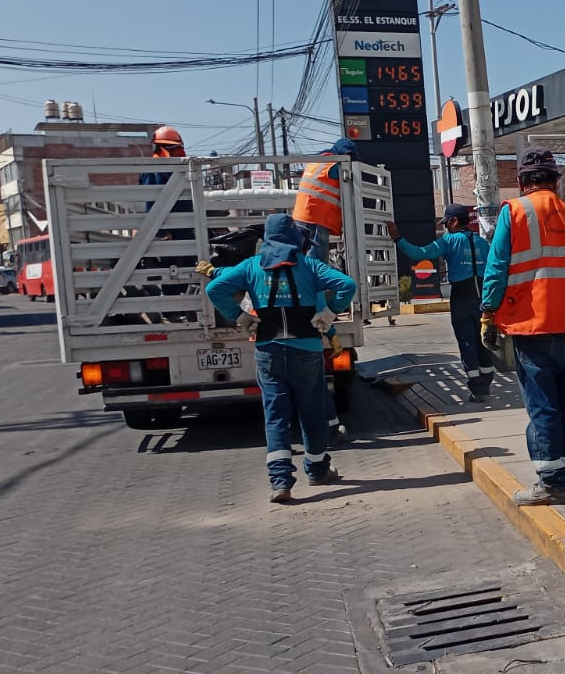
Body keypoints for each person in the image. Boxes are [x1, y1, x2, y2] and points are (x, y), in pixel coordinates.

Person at [480, 146, 565, 506]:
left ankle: (551, 482)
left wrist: (488, 312)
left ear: (522, 182)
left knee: (543, 407)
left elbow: (497, 266)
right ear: (556, 180)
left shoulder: (515, 212)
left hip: (533, 328)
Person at [206, 213, 356, 504]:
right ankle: (317, 471)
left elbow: (215, 288)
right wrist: (328, 314)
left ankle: (280, 482)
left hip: (269, 351)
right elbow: (347, 285)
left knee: (276, 417)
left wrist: (240, 316)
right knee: (311, 413)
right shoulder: (310, 265)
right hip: (307, 351)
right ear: (295, 239)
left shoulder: (252, 266)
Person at [387, 204, 495, 401]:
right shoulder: (482, 243)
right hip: (483, 297)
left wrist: (397, 238)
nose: (445, 227)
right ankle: (486, 381)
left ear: (454, 221)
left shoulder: (449, 240)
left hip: (461, 297)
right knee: (483, 341)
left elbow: (420, 254)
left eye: (446, 223)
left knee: (467, 342)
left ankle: (477, 388)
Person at [293, 138, 355, 263]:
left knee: (301, 259)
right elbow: (349, 180)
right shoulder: (334, 165)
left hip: (301, 217)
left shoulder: (316, 162)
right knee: (316, 263)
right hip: (316, 220)